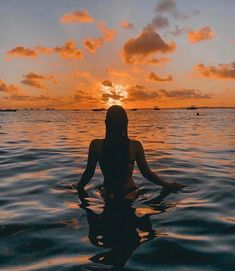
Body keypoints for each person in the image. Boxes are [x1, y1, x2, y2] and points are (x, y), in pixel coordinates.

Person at [77, 105, 185, 200]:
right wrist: (167, 185)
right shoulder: (135, 146)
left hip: (108, 194)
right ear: (126, 123)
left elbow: (88, 173)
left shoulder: (96, 145)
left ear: (106, 123)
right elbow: (146, 173)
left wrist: (78, 188)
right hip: (130, 194)